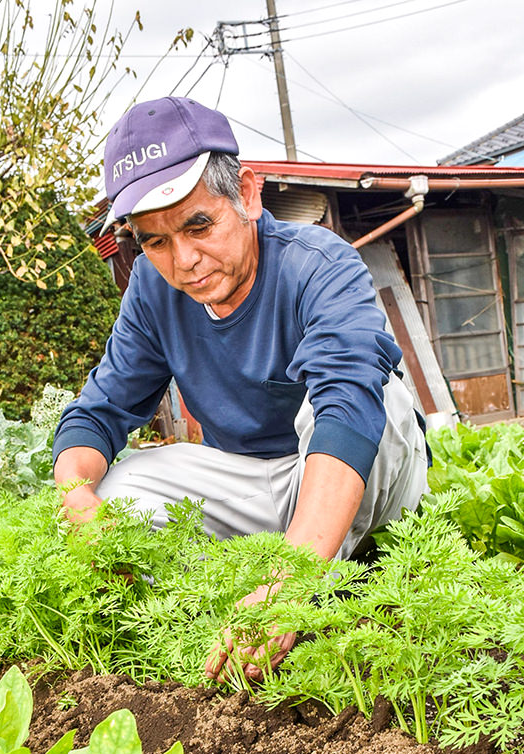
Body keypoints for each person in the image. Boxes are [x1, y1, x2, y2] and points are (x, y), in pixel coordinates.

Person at [53, 96, 429, 682]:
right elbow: (98, 413)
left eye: (199, 225)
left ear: (247, 195)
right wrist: (77, 499)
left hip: (358, 478)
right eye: (154, 241)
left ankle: (323, 576)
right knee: (118, 485)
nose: (184, 261)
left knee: (380, 400)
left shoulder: (318, 265)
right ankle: (214, 600)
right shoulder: (154, 294)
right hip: (258, 483)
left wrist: (290, 582)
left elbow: (348, 402)